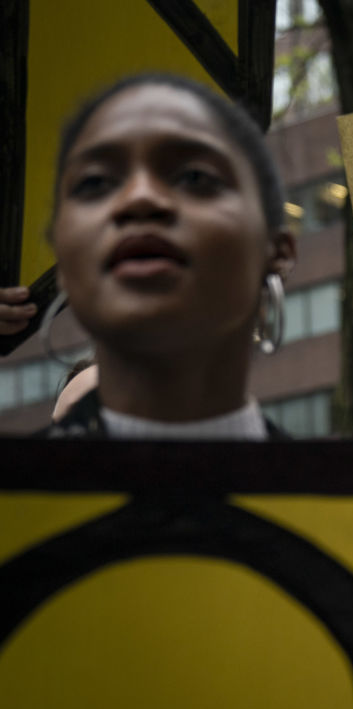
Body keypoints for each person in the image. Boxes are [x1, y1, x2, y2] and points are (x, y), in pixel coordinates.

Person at [40, 73, 296, 439]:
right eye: (95, 182)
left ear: (277, 252)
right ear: (61, 258)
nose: (140, 197)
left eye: (194, 177)